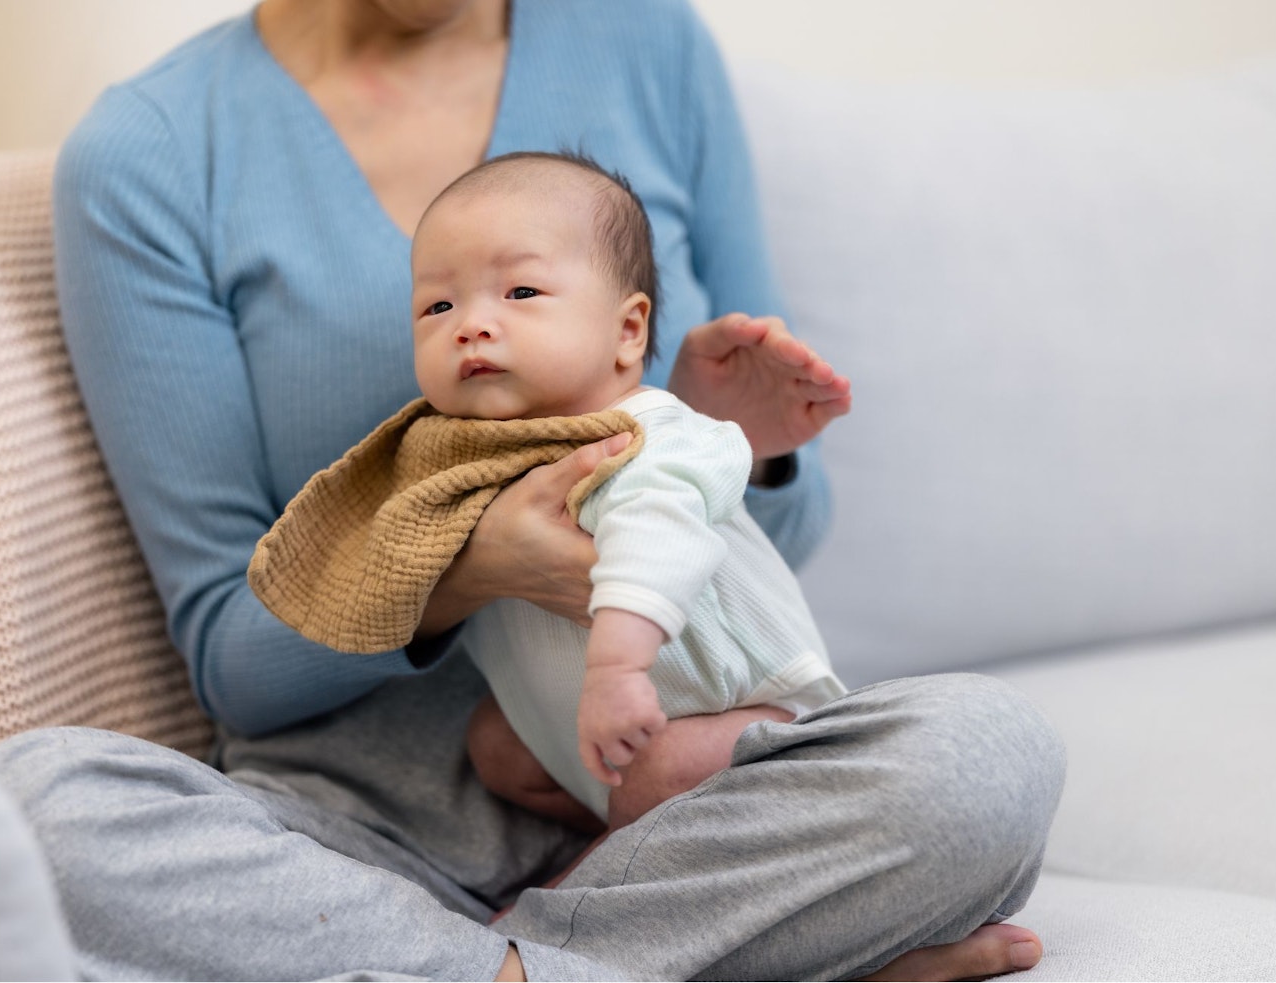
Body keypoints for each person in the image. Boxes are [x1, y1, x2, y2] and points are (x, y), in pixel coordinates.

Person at [0, 0, 1065, 980]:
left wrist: (720, 433)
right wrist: (469, 565)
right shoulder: (154, 152)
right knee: (20, 812)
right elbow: (231, 658)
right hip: (368, 835)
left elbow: (789, 524)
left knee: (985, 754)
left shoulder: (648, 42)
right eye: (436, 308)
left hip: (693, 800)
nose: (474, 325)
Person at [249, 150, 849, 842]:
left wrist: (619, 668)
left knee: (662, 770)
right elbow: (381, 559)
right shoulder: (461, 463)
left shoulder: (648, 436)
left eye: (521, 293)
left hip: (754, 724)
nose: (469, 324)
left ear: (628, 330)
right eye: (437, 306)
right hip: (599, 733)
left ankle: (603, 880)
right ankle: (623, 831)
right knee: (497, 750)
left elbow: (660, 536)